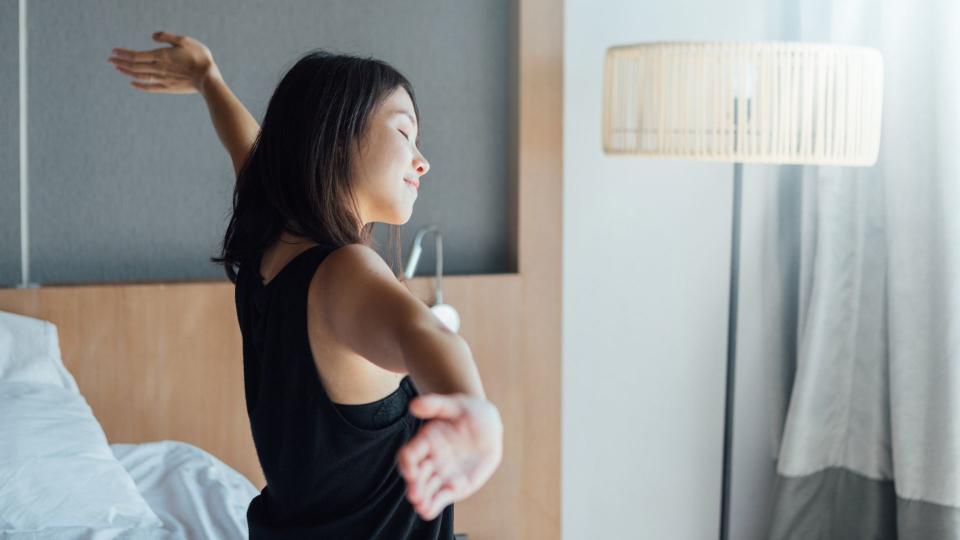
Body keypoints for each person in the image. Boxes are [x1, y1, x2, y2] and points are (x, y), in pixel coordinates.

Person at [108, 31, 503, 539]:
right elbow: (424, 333)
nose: (422, 160)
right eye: (405, 133)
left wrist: (209, 80)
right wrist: (472, 406)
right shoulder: (344, 271)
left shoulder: (268, 250)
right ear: (336, 137)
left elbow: (251, 151)